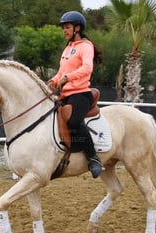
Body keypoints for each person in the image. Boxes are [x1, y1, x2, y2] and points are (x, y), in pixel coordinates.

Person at [47, 11, 103, 178]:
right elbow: (61, 73)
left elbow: (87, 68)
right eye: (63, 28)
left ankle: (94, 158)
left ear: (77, 28)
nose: (64, 30)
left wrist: (67, 78)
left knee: (74, 121)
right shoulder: (68, 48)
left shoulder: (86, 46)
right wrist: (52, 81)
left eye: (67, 27)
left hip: (80, 94)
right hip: (65, 95)